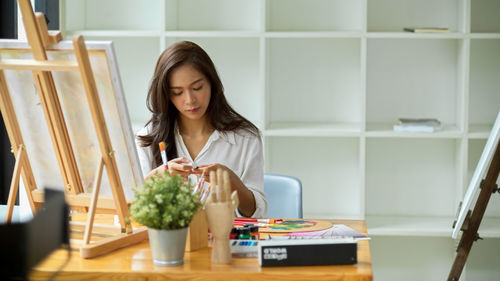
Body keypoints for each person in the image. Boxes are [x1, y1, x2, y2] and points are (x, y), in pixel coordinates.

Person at [135, 41, 267, 218]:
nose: (190, 100)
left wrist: (232, 183)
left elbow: (256, 213)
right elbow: (132, 209)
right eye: (177, 92)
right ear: (166, 95)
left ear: (212, 84)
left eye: (197, 88)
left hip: (226, 242)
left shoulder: (245, 138)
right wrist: (155, 178)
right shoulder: (148, 138)